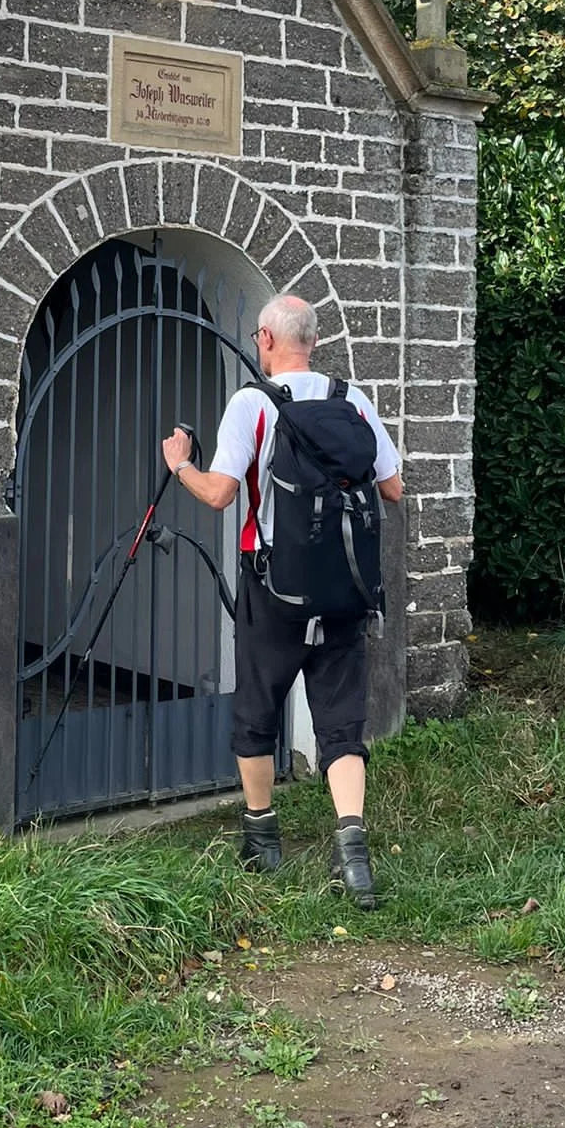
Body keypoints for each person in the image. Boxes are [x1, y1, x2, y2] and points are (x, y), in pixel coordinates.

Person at [161, 294, 403, 908]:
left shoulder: (253, 404)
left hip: (274, 588)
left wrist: (179, 465)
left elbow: (219, 495)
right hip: (345, 589)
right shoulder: (353, 400)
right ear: (313, 342)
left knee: (258, 709)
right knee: (341, 720)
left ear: (265, 340)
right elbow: (394, 487)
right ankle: (353, 854)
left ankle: (262, 838)